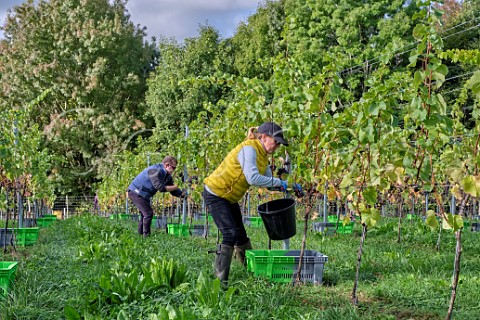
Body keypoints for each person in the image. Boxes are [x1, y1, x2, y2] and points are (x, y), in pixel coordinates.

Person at [203, 122, 289, 284]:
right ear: (263, 137)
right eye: (275, 141)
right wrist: (278, 182)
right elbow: (253, 178)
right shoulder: (249, 149)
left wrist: (286, 185)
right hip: (215, 193)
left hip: (229, 197)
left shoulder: (262, 156)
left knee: (240, 236)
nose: (277, 146)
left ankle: (249, 273)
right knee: (230, 233)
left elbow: (269, 183)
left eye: (279, 143)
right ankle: (220, 281)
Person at [128, 156, 186, 237]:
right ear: (167, 165)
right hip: (136, 192)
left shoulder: (167, 175)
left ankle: (140, 235)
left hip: (143, 194)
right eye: (173, 167)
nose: (174, 170)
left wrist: (181, 194)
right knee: (148, 213)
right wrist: (177, 186)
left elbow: (172, 189)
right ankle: (146, 236)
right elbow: (160, 187)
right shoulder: (154, 170)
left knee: (144, 214)